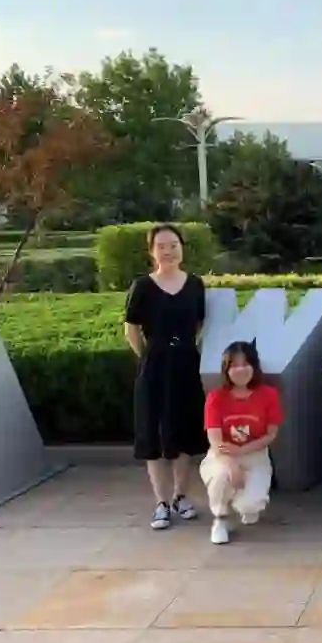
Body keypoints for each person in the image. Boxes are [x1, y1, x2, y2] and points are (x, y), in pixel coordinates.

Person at [124, 224, 209, 530]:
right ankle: (161, 502)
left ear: (182, 247)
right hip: (154, 366)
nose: (168, 251)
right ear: (152, 252)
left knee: (184, 431)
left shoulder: (195, 284)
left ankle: (180, 496)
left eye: (173, 245)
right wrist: (146, 356)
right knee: (154, 433)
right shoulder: (143, 286)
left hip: (186, 363)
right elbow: (131, 328)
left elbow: (199, 323)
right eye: (161, 246)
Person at [201, 341, 281, 545]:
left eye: (246, 364)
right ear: (226, 369)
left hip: (255, 454)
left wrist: (243, 449)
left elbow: (271, 434)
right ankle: (220, 519)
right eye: (234, 365)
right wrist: (230, 464)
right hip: (223, 453)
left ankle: (245, 502)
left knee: (250, 507)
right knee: (221, 477)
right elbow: (215, 439)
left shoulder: (268, 395)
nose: (241, 370)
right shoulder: (216, 398)